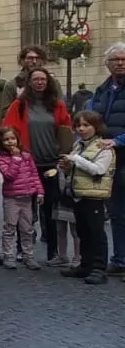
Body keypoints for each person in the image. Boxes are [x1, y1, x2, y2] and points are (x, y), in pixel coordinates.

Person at [2, 66, 71, 266]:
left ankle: (52, 252)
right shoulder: (20, 105)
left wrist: (64, 153)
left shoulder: (57, 105)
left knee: (50, 209)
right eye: (36, 79)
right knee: (23, 210)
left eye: (43, 79)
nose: (40, 82)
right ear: (29, 83)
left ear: (48, 82)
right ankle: (22, 250)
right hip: (26, 165)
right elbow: (8, 130)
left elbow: (66, 130)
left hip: (50, 163)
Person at [60, 110, 115, 284]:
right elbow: (77, 168)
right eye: (78, 126)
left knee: (96, 232)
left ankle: (99, 268)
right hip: (79, 193)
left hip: (95, 195)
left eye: (86, 125)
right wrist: (67, 167)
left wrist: (75, 159)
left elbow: (98, 169)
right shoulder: (79, 145)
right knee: (83, 231)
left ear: (96, 127)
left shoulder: (103, 147)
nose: (81, 129)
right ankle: (86, 265)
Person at [84, 42, 125, 274]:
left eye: (124, 59)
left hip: (121, 151)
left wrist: (118, 141)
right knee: (117, 212)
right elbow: (91, 118)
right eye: (115, 59)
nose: (120, 63)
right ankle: (120, 260)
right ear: (107, 63)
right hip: (108, 159)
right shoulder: (102, 90)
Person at [0, 126, 44, 272]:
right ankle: (9, 255)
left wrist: (40, 191)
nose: (10, 142)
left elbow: (34, 174)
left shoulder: (27, 156)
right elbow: (9, 175)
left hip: (27, 198)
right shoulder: (2, 159)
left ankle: (28, 255)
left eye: (12, 138)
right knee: (9, 227)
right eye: (6, 140)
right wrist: (15, 159)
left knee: (27, 228)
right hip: (12, 198)